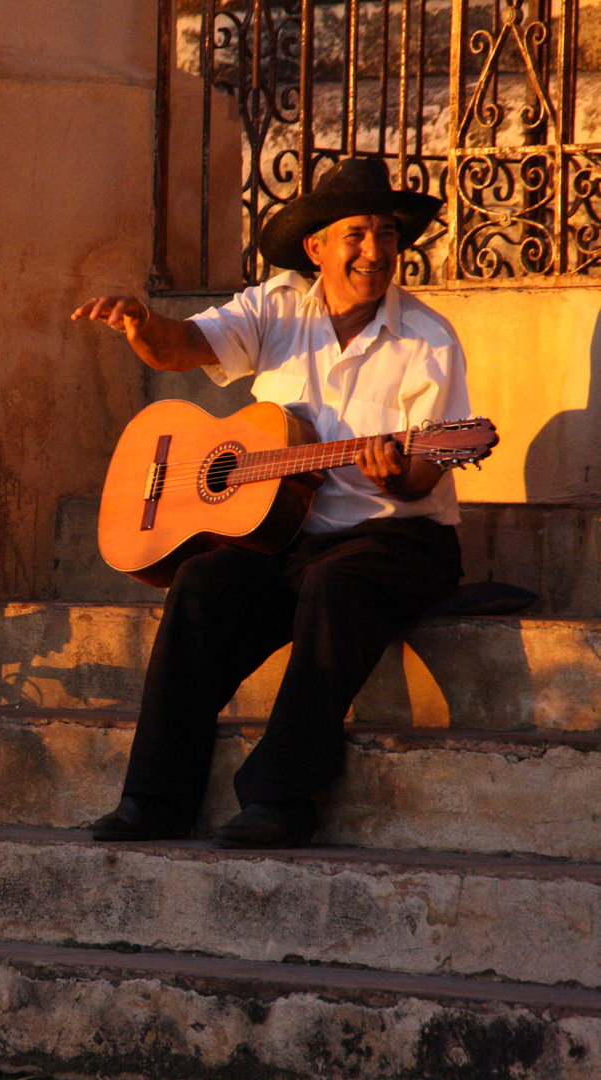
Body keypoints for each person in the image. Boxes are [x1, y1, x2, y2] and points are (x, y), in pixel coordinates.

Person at [70, 156, 476, 848]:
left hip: (397, 539)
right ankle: (155, 799)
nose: (375, 251)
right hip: (287, 535)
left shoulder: (428, 340)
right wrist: (142, 326)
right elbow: (186, 345)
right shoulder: (277, 305)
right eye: (356, 234)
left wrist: (392, 474)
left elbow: (423, 476)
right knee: (200, 583)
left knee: (334, 583)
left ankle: (281, 800)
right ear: (316, 246)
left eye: (387, 234)